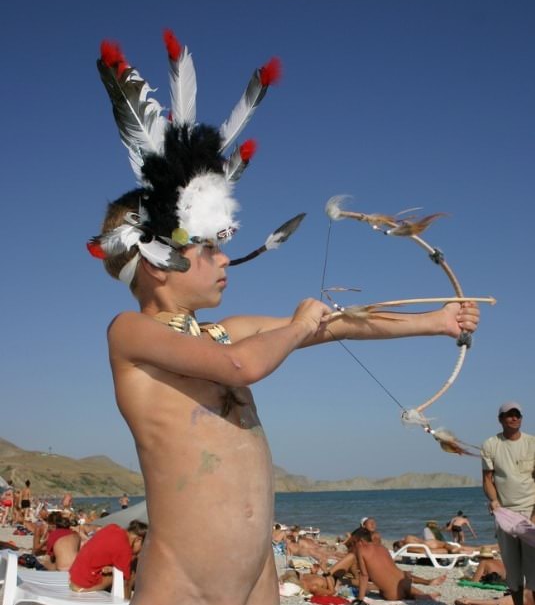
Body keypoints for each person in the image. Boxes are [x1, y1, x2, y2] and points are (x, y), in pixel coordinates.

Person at [88, 32, 480, 605]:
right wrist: (295, 327)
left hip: (255, 580)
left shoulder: (219, 330)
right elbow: (239, 366)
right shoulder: (132, 335)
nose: (225, 259)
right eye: (209, 249)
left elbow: (337, 325)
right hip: (183, 589)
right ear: (156, 261)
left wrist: (436, 321)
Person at [482, 401, 535, 605]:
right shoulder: (490, 444)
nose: (514, 418)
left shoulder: (532, 443)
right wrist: (494, 502)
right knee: (513, 572)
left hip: (530, 512)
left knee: (534, 573)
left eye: (517, 414)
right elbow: (487, 479)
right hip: (505, 514)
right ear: (500, 419)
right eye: (509, 415)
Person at [350, 528, 445, 601]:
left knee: (383, 592)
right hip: (406, 583)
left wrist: (360, 598)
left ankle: (416, 595)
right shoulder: (382, 548)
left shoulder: (361, 550)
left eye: (354, 543)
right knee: (395, 576)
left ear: (361, 542)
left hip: (393, 594)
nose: (353, 546)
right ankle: (419, 594)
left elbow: (364, 575)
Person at [69, 520, 147, 596]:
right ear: (138, 540)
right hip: (82, 586)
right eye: (143, 547)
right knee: (129, 575)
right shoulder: (125, 550)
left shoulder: (112, 527)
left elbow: (105, 551)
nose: (140, 551)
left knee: (116, 570)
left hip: (73, 578)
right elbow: (126, 583)